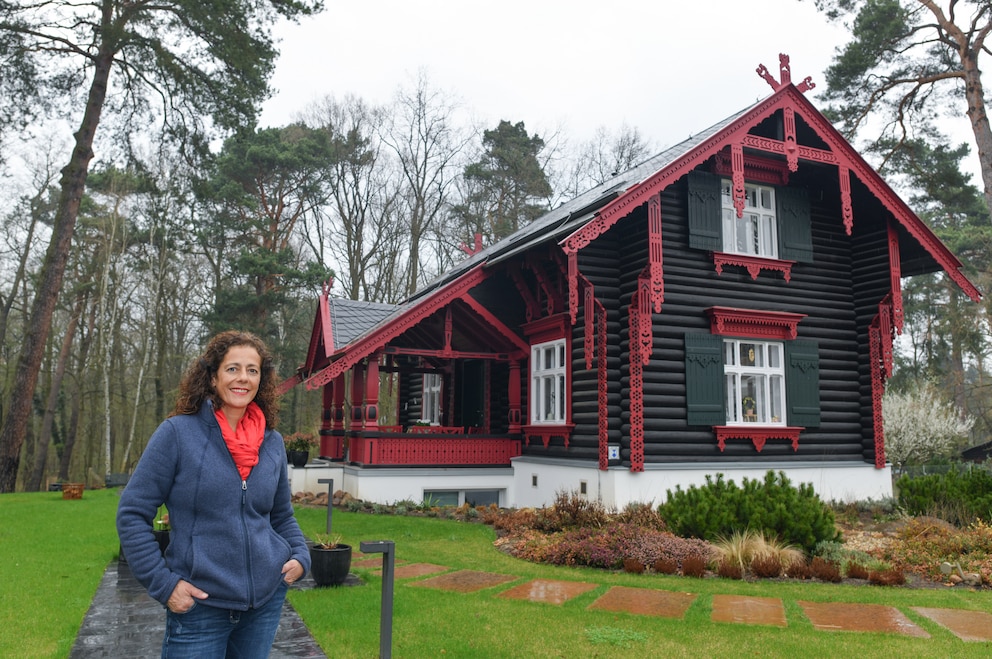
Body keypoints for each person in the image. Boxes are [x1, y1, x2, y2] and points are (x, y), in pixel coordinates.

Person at [117, 330, 311, 658]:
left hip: (263, 605)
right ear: (212, 376)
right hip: (199, 610)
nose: (243, 378)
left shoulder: (273, 441)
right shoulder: (177, 434)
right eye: (232, 368)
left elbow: (281, 516)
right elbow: (132, 513)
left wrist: (301, 557)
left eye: (253, 370)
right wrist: (164, 585)